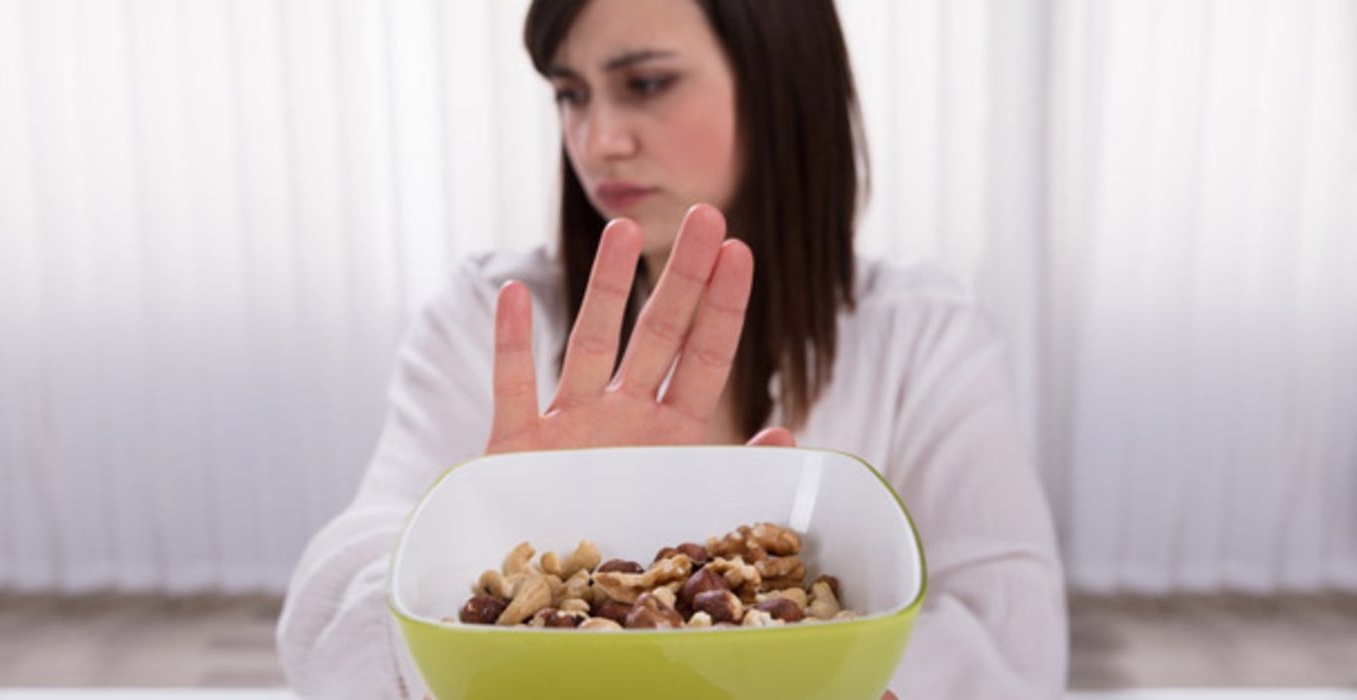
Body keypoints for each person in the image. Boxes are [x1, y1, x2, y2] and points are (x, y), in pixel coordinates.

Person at [276, 0, 1068, 698]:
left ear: (782, 85)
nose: (597, 139)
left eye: (646, 83)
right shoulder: (488, 311)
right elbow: (322, 621)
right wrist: (516, 546)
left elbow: (1015, 653)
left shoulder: (923, 332)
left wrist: (708, 657)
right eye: (569, 93)